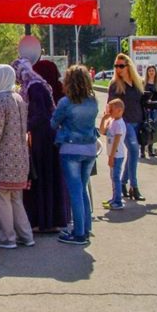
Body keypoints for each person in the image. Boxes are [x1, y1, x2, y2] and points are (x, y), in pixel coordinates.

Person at [12, 57, 68, 234]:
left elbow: (40, 115)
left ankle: (41, 220)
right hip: (46, 137)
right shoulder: (37, 84)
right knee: (48, 178)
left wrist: (22, 125)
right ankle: (49, 219)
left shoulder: (34, 87)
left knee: (40, 179)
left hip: (42, 140)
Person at [0, 64, 34, 249]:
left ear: (0, 79)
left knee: (2, 200)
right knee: (16, 200)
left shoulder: (0, 100)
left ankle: (7, 238)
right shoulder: (18, 98)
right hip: (20, 159)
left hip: (3, 160)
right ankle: (26, 236)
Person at [51, 65, 99, 246]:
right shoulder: (93, 101)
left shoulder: (65, 102)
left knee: (75, 191)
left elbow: (53, 123)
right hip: (90, 149)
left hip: (70, 149)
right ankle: (86, 227)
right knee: (83, 188)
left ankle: (78, 233)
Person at [107, 53, 146, 201]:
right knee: (135, 150)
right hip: (124, 122)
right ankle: (133, 187)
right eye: (116, 66)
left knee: (132, 153)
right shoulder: (115, 85)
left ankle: (123, 183)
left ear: (128, 66)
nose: (118, 69)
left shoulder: (136, 82)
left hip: (138, 120)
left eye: (121, 66)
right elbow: (110, 104)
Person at [100, 99, 126, 210]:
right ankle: (114, 197)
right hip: (112, 154)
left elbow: (116, 141)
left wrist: (111, 157)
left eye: (112, 109)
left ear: (120, 110)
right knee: (113, 177)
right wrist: (104, 119)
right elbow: (102, 131)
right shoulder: (112, 121)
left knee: (116, 177)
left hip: (117, 155)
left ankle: (118, 201)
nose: (109, 111)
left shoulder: (119, 124)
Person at [142, 65, 157, 159]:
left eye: (153, 70)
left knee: (153, 129)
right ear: (147, 72)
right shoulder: (144, 83)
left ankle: (151, 149)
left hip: (156, 108)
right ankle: (142, 150)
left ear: (155, 72)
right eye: (149, 71)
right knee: (144, 128)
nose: (151, 72)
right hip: (146, 109)